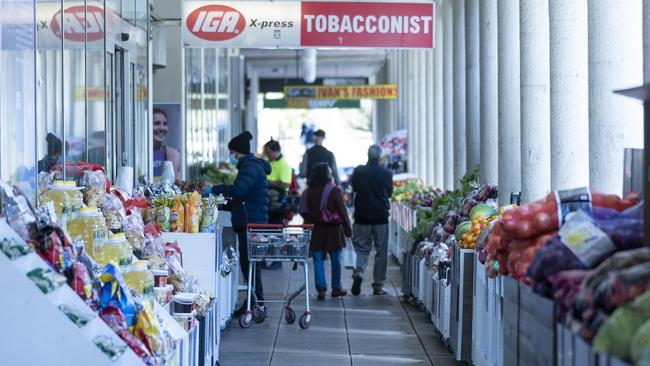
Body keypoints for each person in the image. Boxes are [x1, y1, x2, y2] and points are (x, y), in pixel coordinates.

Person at [209, 131, 271, 316]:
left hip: (252, 223)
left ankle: (256, 303)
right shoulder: (250, 166)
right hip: (251, 220)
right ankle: (254, 302)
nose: (230, 157)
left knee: (250, 264)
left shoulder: (250, 168)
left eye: (231, 153)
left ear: (238, 153)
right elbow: (243, 197)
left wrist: (214, 189)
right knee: (250, 264)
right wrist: (223, 204)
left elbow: (238, 190)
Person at [300, 162, 351, 300]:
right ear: (326, 174)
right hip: (333, 230)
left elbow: (302, 210)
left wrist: (311, 220)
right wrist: (348, 230)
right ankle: (336, 288)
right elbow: (342, 211)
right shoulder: (334, 190)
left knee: (317, 259)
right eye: (329, 171)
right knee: (335, 259)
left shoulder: (307, 191)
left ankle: (321, 289)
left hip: (315, 230)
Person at [350, 144, 393, 296]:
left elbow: (353, 188)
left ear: (367, 155)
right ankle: (378, 284)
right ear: (380, 157)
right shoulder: (386, 173)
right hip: (380, 216)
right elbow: (389, 193)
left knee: (361, 248)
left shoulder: (358, 171)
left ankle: (359, 274)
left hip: (362, 216)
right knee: (381, 251)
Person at [261, 138, 292, 270]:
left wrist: (267, 182)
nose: (266, 154)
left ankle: (277, 259)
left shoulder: (284, 165)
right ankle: (261, 258)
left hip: (277, 204)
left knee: (276, 231)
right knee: (263, 231)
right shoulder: (268, 161)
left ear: (275, 151)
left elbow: (285, 184)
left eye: (268, 152)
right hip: (265, 202)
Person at [152, 108, 181, 179]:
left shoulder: (172, 154)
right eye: (157, 123)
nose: (162, 128)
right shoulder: (139, 155)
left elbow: (172, 183)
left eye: (164, 124)